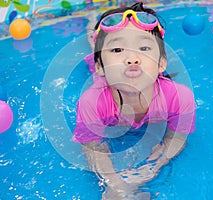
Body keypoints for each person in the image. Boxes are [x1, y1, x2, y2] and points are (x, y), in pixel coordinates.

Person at [73, 2, 196, 199]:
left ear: (161, 63)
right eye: (117, 50)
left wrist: (155, 164)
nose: (132, 59)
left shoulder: (179, 98)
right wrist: (114, 183)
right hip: (102, 79)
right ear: (101, 67)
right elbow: (93, 147)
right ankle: (91, 22)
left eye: (144, 48)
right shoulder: (92, 102)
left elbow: (177, 137)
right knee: (93, 44)